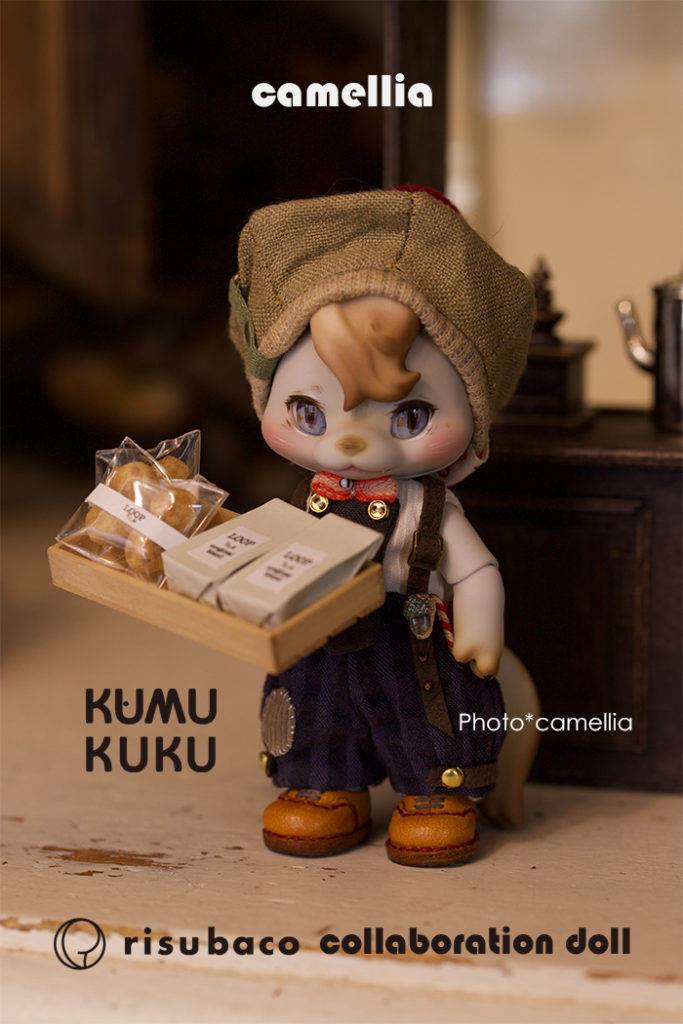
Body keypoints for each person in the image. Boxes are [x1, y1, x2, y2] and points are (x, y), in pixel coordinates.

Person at [229, 186, 535, 866]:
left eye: (409, 418)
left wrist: (482, 624)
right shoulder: (304, 499)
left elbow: (476, 570)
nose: (349, 444)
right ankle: (322, 783)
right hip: (318, 644)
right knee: (315, 710)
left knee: (429, 717)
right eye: (309, 414)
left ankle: (433, 792)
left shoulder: (429, 509)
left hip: (413, 640)